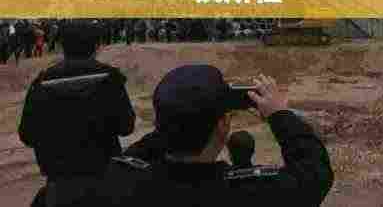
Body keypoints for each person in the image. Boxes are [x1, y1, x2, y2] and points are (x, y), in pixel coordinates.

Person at [80, 65, 334, 206]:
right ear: (223, 125)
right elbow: (315, 173)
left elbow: (139, 151)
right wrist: (279, 114)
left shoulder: (120, 183)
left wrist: (174, 118)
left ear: (160, 123)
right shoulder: (251, 194)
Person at [18, 20, 136, 207]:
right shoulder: (111, 79)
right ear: (96, 45)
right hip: (104, 177)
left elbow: (27, 135)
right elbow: (126, 127)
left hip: (60, 182)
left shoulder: (42, 82)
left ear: (62, 45)